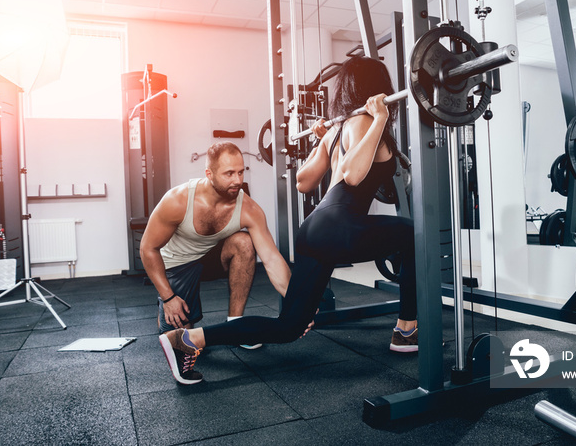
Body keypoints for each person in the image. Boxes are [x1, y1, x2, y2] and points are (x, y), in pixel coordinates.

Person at [158, 56, 418, 385]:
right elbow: (353, 177)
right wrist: (380, 118)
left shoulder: (336, 130)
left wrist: (320, 139)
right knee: (412, 234)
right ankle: (407, 329)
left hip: (313, 228)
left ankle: (188, 339)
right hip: (340, 226)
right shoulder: (369, 122)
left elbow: (304, 182)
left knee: (289, 327)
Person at [140, 141, 291, 349]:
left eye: (240, 172)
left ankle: (236, 327)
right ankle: (165, 303)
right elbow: (148, 249)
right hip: (177, 264)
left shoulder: (248, 208)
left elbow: (272, 258)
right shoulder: (178, 200)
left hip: (210, 257)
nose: (237, 180)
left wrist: (297, 302)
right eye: (229, 174)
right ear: (209, 174)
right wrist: (168, 298)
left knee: (244, 242)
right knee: (180, 340)